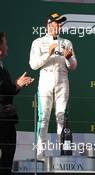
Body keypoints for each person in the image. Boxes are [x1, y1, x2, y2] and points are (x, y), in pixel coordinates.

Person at [29, 12, 77, 159]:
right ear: (49, 25)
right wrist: (48, 54)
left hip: (63, 80)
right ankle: (40, 154)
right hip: (45, 80)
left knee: (61, 117)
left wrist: (69, 59)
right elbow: (33, 65)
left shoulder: (67, 42)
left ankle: (63, 152)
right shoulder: (38, 42)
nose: (59, 25)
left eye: (60, 23)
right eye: (56, 23)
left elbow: (74, 66)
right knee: (43, 118)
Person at [0, 32, 33, 174]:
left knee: (7, 159)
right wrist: (17, 85)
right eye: (5, 43)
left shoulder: (3, 68)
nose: (7, 47)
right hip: (2, 118)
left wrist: (17, 86)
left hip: (7, 118)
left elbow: (6, 91)